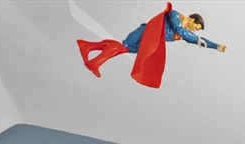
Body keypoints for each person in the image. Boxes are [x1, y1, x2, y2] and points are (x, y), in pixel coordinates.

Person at [77, 2, 225, 88]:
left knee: (123, 48)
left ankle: (87, 46)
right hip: (146, 32)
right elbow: (178, 29)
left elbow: (194, 39)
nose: (194, 30)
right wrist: (194, 39)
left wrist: (216, 46)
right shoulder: (176, 17)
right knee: (123, 46)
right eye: (196, 28)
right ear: (193, 21)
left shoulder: (183, 33)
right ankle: (95, 63)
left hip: (151, 41)